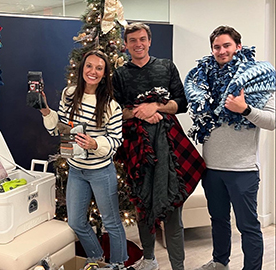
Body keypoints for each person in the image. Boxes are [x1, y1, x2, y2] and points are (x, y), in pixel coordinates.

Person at [113, 22, 204, 270]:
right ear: (126, 45)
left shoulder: (166, 66)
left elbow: (180, 103)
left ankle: (178, 266)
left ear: (149, 41)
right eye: (132, 40)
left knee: (172, 205)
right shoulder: (120, 74)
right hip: (137, 148)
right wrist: (139, 112)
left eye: (142, 39)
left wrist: (157, 107)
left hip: (169, 145)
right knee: (143, 203)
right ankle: (150, 260)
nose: (138, 44)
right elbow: (116, 111)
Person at [184, 25, 275, 270]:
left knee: (247, 227)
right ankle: (220, 262)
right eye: (217, 47)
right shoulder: (202, 79)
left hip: (243, 169)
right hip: (212, 168)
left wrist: (244, 109)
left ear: (238, 47)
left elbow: (272, 121)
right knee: (219, 221)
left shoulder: (258, 79)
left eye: (227, 45)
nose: (222, 51)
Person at [39, 50, 129, 270]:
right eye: (89, 66)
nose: (93, 71)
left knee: (111, 223)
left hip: (101, 172)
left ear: (104, 74)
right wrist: (44, 110)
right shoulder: (68, 94)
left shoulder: (110, 105)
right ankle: (96, 257)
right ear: (82, 69)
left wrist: (95, 144)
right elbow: (58, 129)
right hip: (76, 170)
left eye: (99, 68)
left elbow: (116, 140)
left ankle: (117, 264)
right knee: (76, 221)